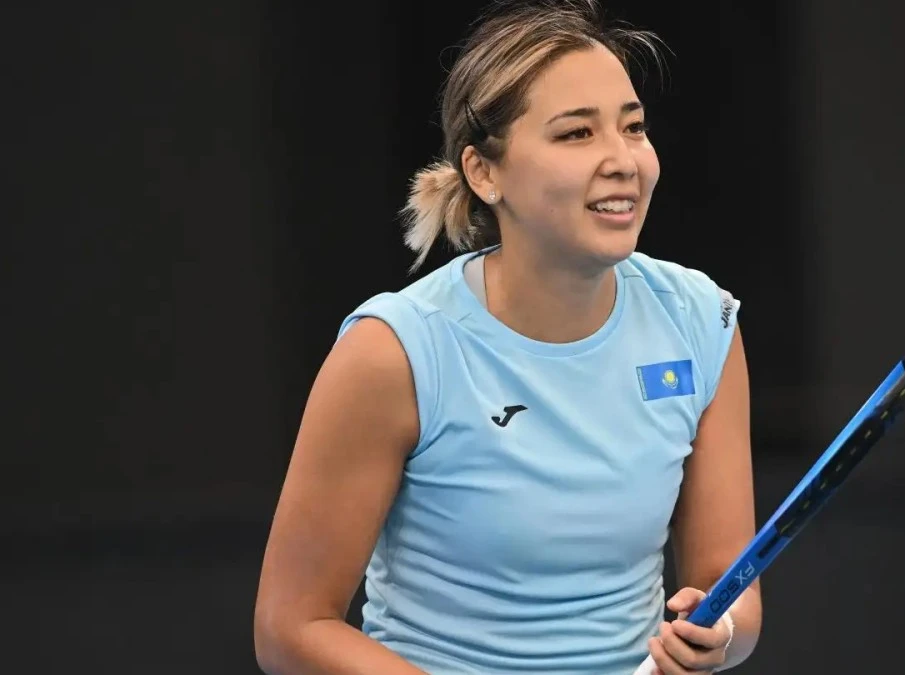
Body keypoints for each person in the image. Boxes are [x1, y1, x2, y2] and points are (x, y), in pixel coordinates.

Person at [253, 1, 761, 673]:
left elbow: (730, 587)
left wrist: (719, 633)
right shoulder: (392, 353)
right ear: (484, 172)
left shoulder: (701, 320)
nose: (623, 160)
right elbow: (290, 628)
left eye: (633, 127)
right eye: (576, 134)